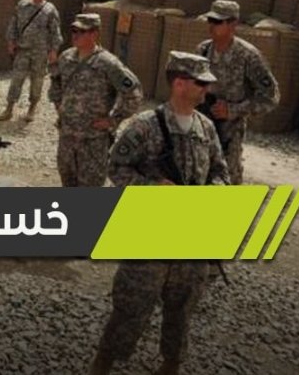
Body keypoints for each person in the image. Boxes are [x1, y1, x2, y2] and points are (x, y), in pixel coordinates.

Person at [90, 51, 230, 375]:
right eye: (200, 83)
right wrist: (152, 188)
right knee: (131, 305)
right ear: (180, 83)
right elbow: (116, 167)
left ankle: (171, 364)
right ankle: (103, 362)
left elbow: (221, 171)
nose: (206, 90)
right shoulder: (145, 126)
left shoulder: (206, 128)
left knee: (182, 308)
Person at [48, 13, 142, 187]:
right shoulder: (66, 58)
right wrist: (58, 105)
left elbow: (133, 94)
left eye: (81, 31)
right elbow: (55, 81)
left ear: (95, 34)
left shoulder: (108, 63)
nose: (75, 35)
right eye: (74, 30)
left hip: (93, 142)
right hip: (67, 138)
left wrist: (113, 120)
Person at [196, 0, 279, 185]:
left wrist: (233, 110)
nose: (211, 26)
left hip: (229, 132)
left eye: (218, 21)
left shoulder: (248, 56)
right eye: (210, 20)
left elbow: (271, 97)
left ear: (233, 24)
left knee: (228, 180)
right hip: (201, 127)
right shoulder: (203, 50)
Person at [0, 0, 63, 122]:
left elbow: (55, 31)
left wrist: (54, 50)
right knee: (17, 79)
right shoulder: (22, 5)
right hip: (23, 49)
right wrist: (11, 41)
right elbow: (13, 24)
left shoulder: (50, 9)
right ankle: (9, 109)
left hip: (40, 52)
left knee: (37, 80)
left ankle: (32, 109)